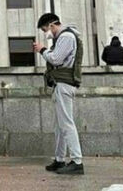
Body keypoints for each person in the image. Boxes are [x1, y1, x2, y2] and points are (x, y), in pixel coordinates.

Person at [34, 13, 84, 176]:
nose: (45, 33)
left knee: (66, 123)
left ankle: (77, 161)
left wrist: (42, 50)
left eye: (45, 29)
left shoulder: (67, 36)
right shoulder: (64, 37)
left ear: (51, 25)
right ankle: (60, 159)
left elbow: (56, 59)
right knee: (60, 126)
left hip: (64, 83)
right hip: (60, 83)